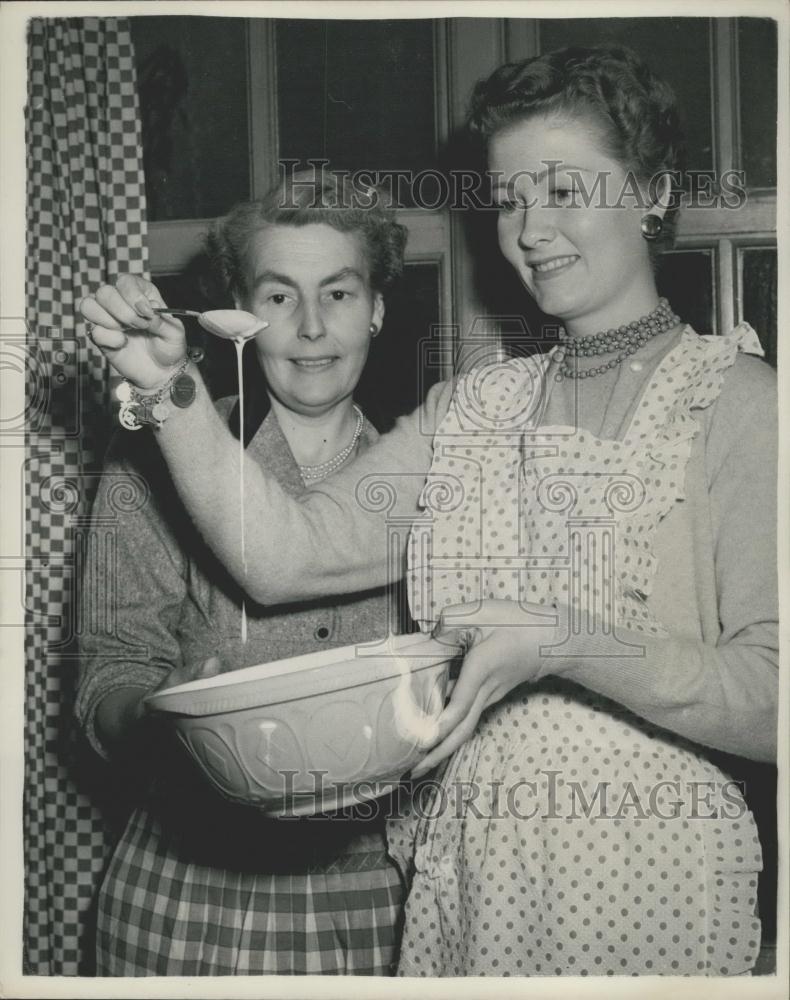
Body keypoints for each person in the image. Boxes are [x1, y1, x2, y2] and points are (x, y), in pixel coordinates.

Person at [80, 45, 778, 977]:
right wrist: (169, 389)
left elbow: (775, 699)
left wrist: (565, 640)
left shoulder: (740, 400)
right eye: (510, 198)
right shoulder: (474, 406)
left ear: (650, 193)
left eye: (565, 190)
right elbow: (283, 555)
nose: (531, 229)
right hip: (470, 880)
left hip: (647, 877)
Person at [75, 171, 411, 976]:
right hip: (185, 889)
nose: (308, 328)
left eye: (337, 293)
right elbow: (106, 681)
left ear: (377, 309)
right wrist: (168, 721)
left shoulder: (428, 471)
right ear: (240, 314)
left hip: (367, 892)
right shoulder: (152, 461)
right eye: (278, 296)